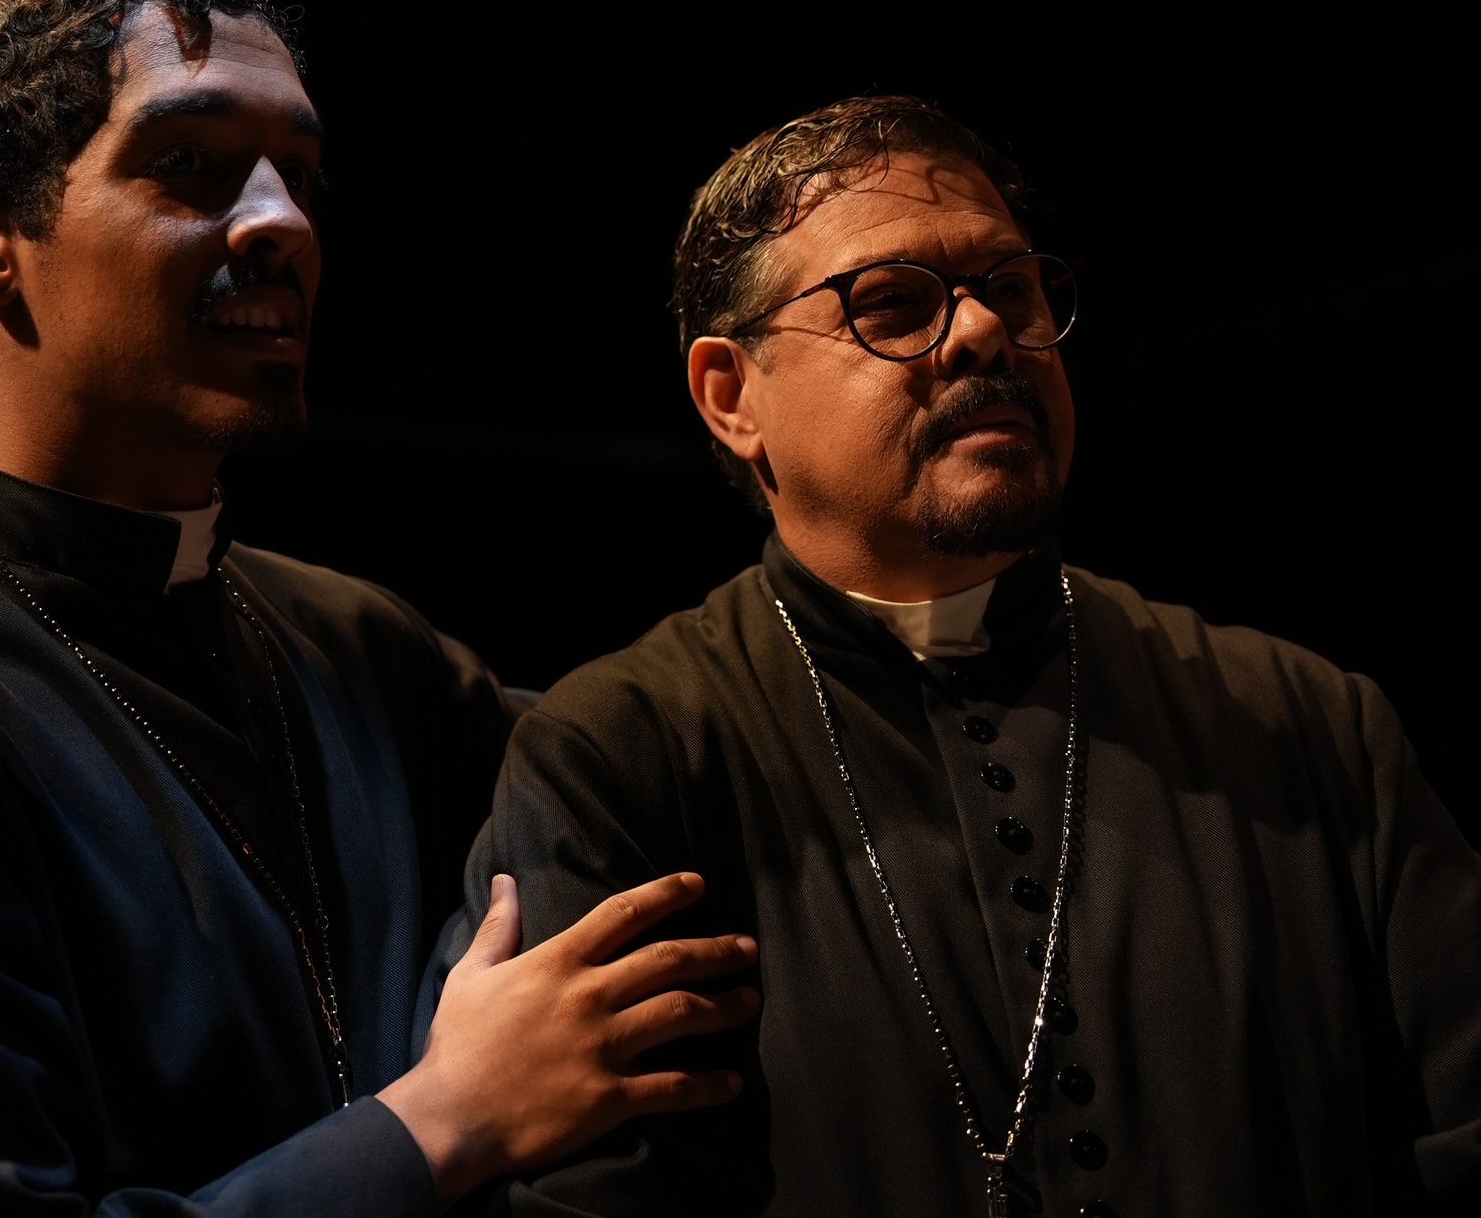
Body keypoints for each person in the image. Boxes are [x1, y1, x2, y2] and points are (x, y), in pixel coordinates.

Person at [0, 0, 762, 1217]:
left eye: (301, 174)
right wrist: (440, 1124)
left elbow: (675, 767)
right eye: (187, 164)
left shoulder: (355, 647)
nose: (283, 221)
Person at [436, 95, 1481, 1215]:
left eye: (1012, 289)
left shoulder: (1308, 725)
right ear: (731, 396)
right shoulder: (619, 759)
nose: (984, 332)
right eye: (893, 303)